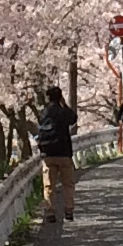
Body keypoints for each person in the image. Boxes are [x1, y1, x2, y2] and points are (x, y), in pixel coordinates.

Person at [34, 86, 80, 221]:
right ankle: (69, 210)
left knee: (49, 185)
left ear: (48, 97)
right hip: (64, 152)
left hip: (48, 154)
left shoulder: (44, 113)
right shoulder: (62, 111)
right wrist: (64, 104)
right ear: (60, 97)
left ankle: (50, 212)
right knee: (68, 184)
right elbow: (73, 118)